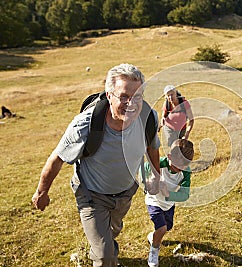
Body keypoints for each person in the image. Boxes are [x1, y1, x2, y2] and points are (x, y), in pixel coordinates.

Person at [31, 63, 161, 267]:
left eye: (137, 96)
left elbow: (152, 148)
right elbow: (56, 159)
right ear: (109, 96)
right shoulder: (85, 124)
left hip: (125, 193)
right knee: (104, 256)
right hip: (92, 195)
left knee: (111, 235)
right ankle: (105, 257)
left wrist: (156, 175)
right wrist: (41, 192)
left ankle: (105, 250)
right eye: (124, 96)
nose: (131, 104)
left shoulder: (148, 118)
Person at [143, 139, 194, 267]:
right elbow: (145, 167)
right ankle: (154, 251)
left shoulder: (185, 172)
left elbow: (184, 195)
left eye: (183, 166)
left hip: (168, 204)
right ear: (169, 156)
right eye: (177, 165)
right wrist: (148, 183)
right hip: (154, 201)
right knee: (162, 228)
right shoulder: (160, 163)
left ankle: (152, 237)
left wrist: (168, 194)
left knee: (167, 228)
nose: (179, 169)